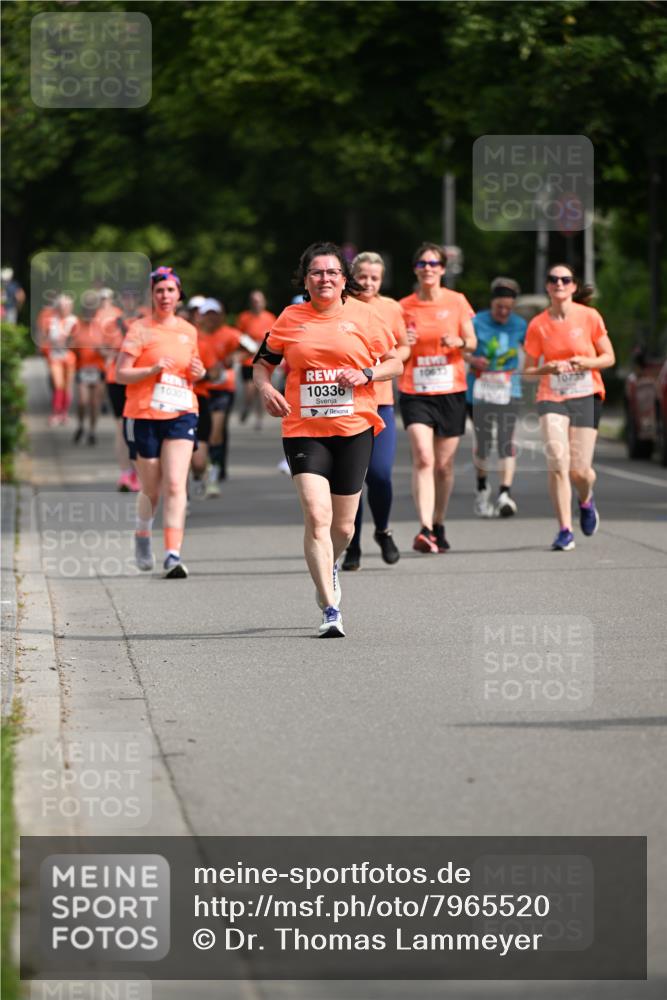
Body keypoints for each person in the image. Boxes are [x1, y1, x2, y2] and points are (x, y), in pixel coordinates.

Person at [253, 241, 402, 638]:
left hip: (354, 428)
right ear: (306, 279)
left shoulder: (365, 316)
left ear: (343, 280)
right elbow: (262, 364)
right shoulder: (290, 317)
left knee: (345, 528)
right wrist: (266, 389)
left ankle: (330, 564)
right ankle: (330, 607)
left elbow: (395, 361)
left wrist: (368, 375)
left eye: (332, 272)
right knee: (316, 516)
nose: (324, 279)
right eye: (316, 272)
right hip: (304, 428)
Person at [116, 266, 205, 578]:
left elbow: (196, 370)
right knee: (151, 488)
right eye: (159, 291)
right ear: (152, 296)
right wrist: (151, 369)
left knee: (176, 483)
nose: (165, 296)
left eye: (170, 290)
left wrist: (199, 373)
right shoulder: (140, 329)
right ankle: (143, 532)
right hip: (145, 414)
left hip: (182, 411)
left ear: (179, 295)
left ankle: (172, 554)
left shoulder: (189, 331)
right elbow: (120, 373)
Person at [523, 264, 615, 551]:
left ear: (574, 286)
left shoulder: (589, 317)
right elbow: (527, 371)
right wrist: (546, 367)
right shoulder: (538, 324)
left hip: (586, 394)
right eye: (553, 280)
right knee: (558, 463)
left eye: (565, 280)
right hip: (552, 395)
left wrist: (585, 362)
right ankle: (565, 529)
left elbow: (609, 357)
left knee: (581, 471)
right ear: (547, 286)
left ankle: (586, 500)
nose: (559, 284)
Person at [398, 243, 476, 553]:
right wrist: (403, 340)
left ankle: (439, 522)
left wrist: (459, 341)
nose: (427, 268)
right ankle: (424, 528)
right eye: (422, 263)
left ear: (442, 269)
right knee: (423, 457)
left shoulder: (457, 302)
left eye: (433, 263)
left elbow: (472, 342)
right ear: (415, 269)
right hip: (415, 392)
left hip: (451, 391)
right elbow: (390, 344)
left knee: (443, 466)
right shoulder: (403, 306)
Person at [341, 251, 411, 571]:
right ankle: (351, 543)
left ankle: (382, 530)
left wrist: (398, 355)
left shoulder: (391, 308)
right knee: (353, 477)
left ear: (382, 280)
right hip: (346, 403)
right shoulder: (339, 305)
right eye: (363, 276)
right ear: (352, 275)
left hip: (380, 401)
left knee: (380, 474)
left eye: (374, 277)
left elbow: (400, 348)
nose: (367, 282)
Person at [466, 276, 527, 517]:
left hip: (508, 390)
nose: (503, 312)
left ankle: (505, 493)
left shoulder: (520, 325)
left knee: (506, 442)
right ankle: (482, 489)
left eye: (508, 309)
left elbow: (534, 350)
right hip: (479, 392)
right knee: (483, 444)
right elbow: (460, 350)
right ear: (491, 304)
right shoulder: (476, 321)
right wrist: (473, 360)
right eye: (499, 307)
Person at [191, 298, 241, 497]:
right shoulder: (193, 335)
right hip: (198, 391)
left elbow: (253, 347)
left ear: (221, 315)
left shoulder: (230, 334)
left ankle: (214, 476)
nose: (211, 318)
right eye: (207, 314)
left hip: (221, 389)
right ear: (200, 316)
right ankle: (199, 471)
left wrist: (234, 358)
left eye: (215, 313)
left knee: (215, 434)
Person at [102, 288, 147, 491]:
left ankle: (139, 472)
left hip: (139, 378)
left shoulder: (146, 320)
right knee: (121, 427)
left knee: (138, 426)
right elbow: (102, 347)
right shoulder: (112, 323)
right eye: (125, 297)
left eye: (132, 297)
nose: (129, 301)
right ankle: (125, 473)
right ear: (121, 301)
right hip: (117, 378)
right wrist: (110, 353)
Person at [237, 290, 277, 429]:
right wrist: (249, 346)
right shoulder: (244, 317)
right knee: (249, 391)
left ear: (264, 302)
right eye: (254, 301)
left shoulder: (270, 317)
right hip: (248, 360)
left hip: (263, 361)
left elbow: (275, 337)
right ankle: (247, 407)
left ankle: (259, 419)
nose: (256, 303)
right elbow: (239, 336)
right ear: (250, 303)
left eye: (259, 300)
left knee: (262, 391)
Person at [71, 294, 106, 445]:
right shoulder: (76, 325)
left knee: (94, 403)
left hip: (98, 369)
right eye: (86, 310)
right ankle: (80, 425)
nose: (89, 313)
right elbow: (69, 345)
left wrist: (101, 350)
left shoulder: (103, 326)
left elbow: (110, 349)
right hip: (82, 368)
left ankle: (92, 430)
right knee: (82, 401)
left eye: (92, 310)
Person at [42, 294, 77, 426]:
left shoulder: (74, 321)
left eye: (67, 306)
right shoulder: (50, 321)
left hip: (69, 357)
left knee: (68, 386)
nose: (64, 309)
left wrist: (68, 341)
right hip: (55, 357)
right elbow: (44, 339)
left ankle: (64, 413)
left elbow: (75, 341)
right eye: (62, 306)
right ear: (57, 307)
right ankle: (56, 412)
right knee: (58, 385)